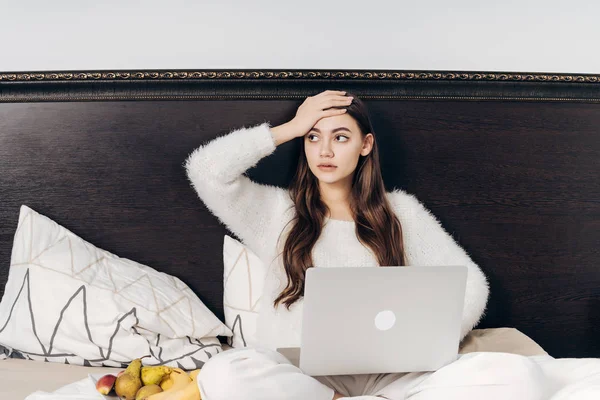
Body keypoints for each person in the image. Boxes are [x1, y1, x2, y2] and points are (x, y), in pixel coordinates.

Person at [180, 90, 547, 400]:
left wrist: (424, 341)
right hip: (302, 377)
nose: (324, 150)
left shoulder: (402, 213)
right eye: (313, 136)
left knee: (515, 374)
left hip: (393, 372)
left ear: (365, 145)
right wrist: (290, 128)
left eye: (340, 137)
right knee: (223, 372)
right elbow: (206, 170)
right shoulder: (276, 212)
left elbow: (472, 286)